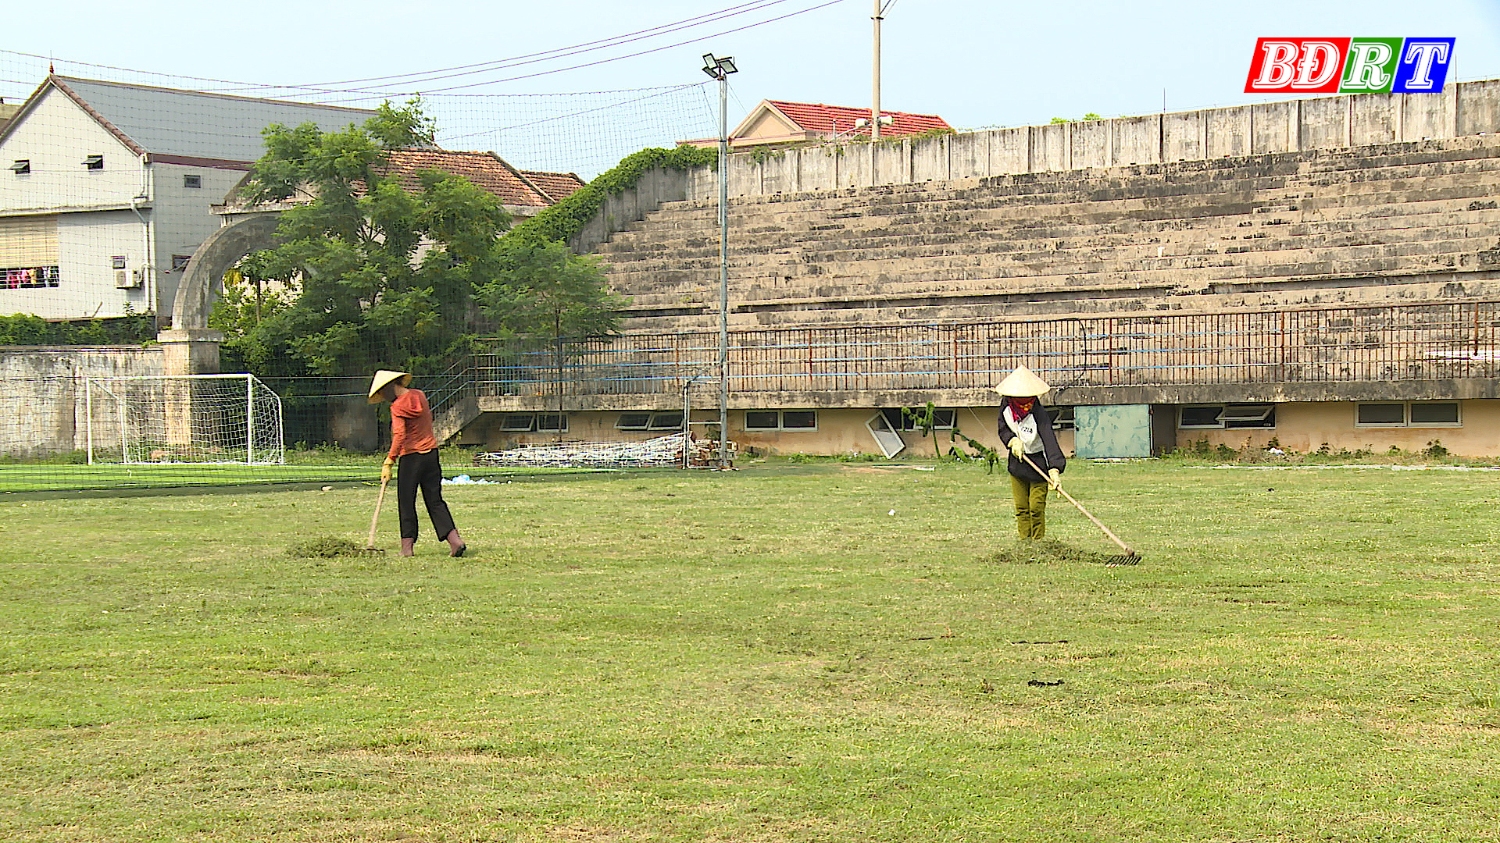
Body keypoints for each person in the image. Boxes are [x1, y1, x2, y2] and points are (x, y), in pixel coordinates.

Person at [368, 370, 467, 558]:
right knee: (435, 500)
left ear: (389, 386)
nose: (383, 398)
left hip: (411, 458)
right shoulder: (419, 395)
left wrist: (389, 460)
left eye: (383, 393)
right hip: (431, 455)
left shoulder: (397, 407)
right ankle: (455, 541)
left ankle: (407, 548)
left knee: (406, 502)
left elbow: (399, 435)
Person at [995, 365, 1067, 540]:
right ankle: (1025, 543)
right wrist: (1012, 441)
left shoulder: (1038, 412)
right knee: (1021, 508)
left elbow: (1049, 440)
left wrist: (1055, 469)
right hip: (1017, 465)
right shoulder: (1006, 407)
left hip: (1038, 466)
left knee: (1035, 507)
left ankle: (1038, 542)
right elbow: (1003, 429)